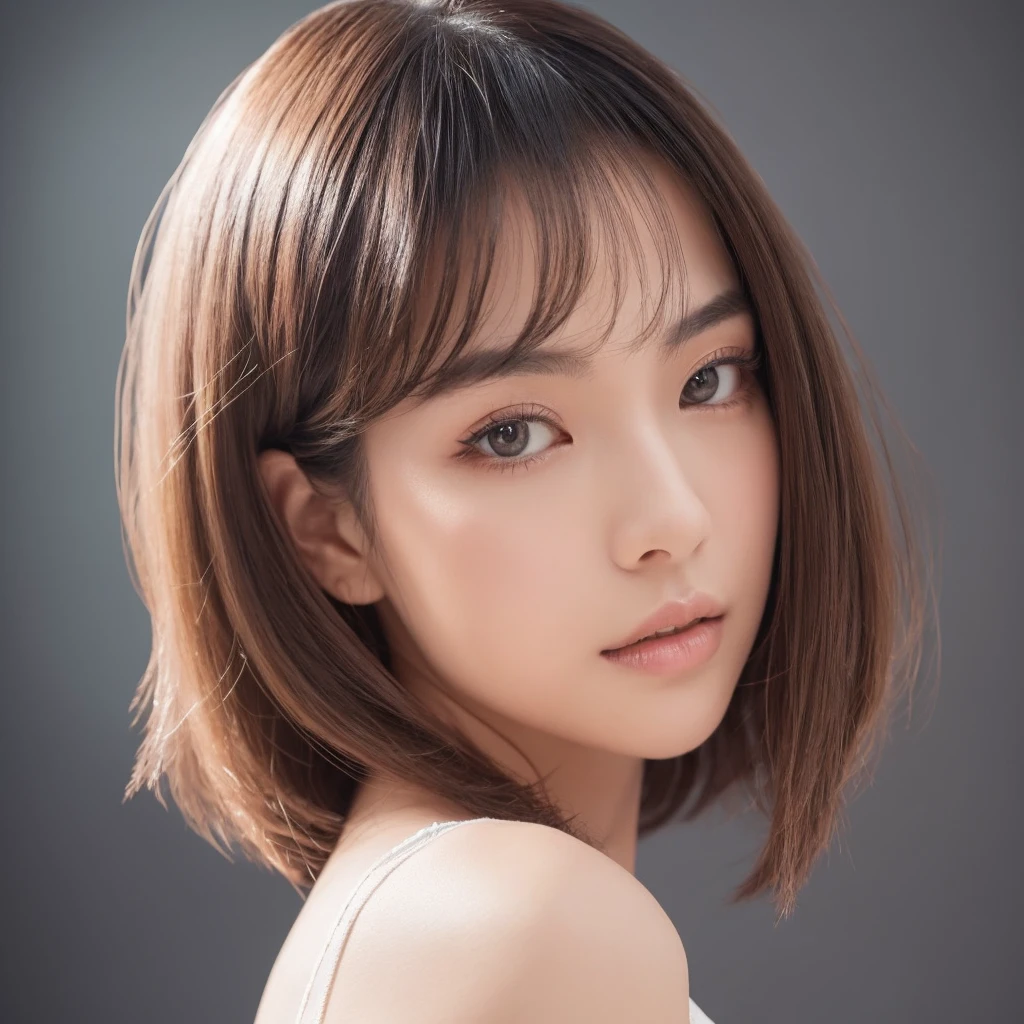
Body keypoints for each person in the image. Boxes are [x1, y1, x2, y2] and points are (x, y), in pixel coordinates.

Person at [115, 1, 933, 1020]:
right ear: (326, 528)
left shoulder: (431, 923)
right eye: (513, 435)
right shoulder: (526, 933)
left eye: (710, 379)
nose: (670, 520)